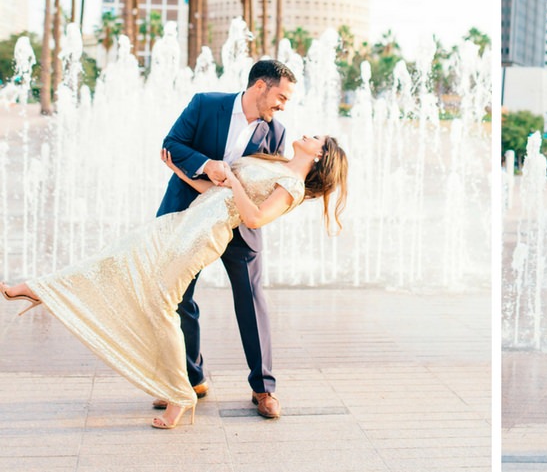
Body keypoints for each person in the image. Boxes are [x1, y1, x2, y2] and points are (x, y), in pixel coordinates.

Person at [1, 134, 348, 430]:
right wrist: (178, 171)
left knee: (162, 305)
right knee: (116, 258)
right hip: (184, 221)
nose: (308, 135)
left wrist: (234, 181)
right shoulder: (273, 162)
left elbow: (253, 218)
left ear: (320, 154)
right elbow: (217, 193)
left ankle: (179, 395)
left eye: (316, 137)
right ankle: (41, 288)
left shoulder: (292, 186)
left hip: (201, 238)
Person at [157, 59, 295, 419]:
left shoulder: (276, 133)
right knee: (178, 297)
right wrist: (206, 164)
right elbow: (172, 143)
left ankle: (263, 389)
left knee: (251, 300)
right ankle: (191, 379)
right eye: (280, 96)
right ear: (260, 87)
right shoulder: (205, 104)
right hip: (189, 215)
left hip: (240, 226)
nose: (283, 105)